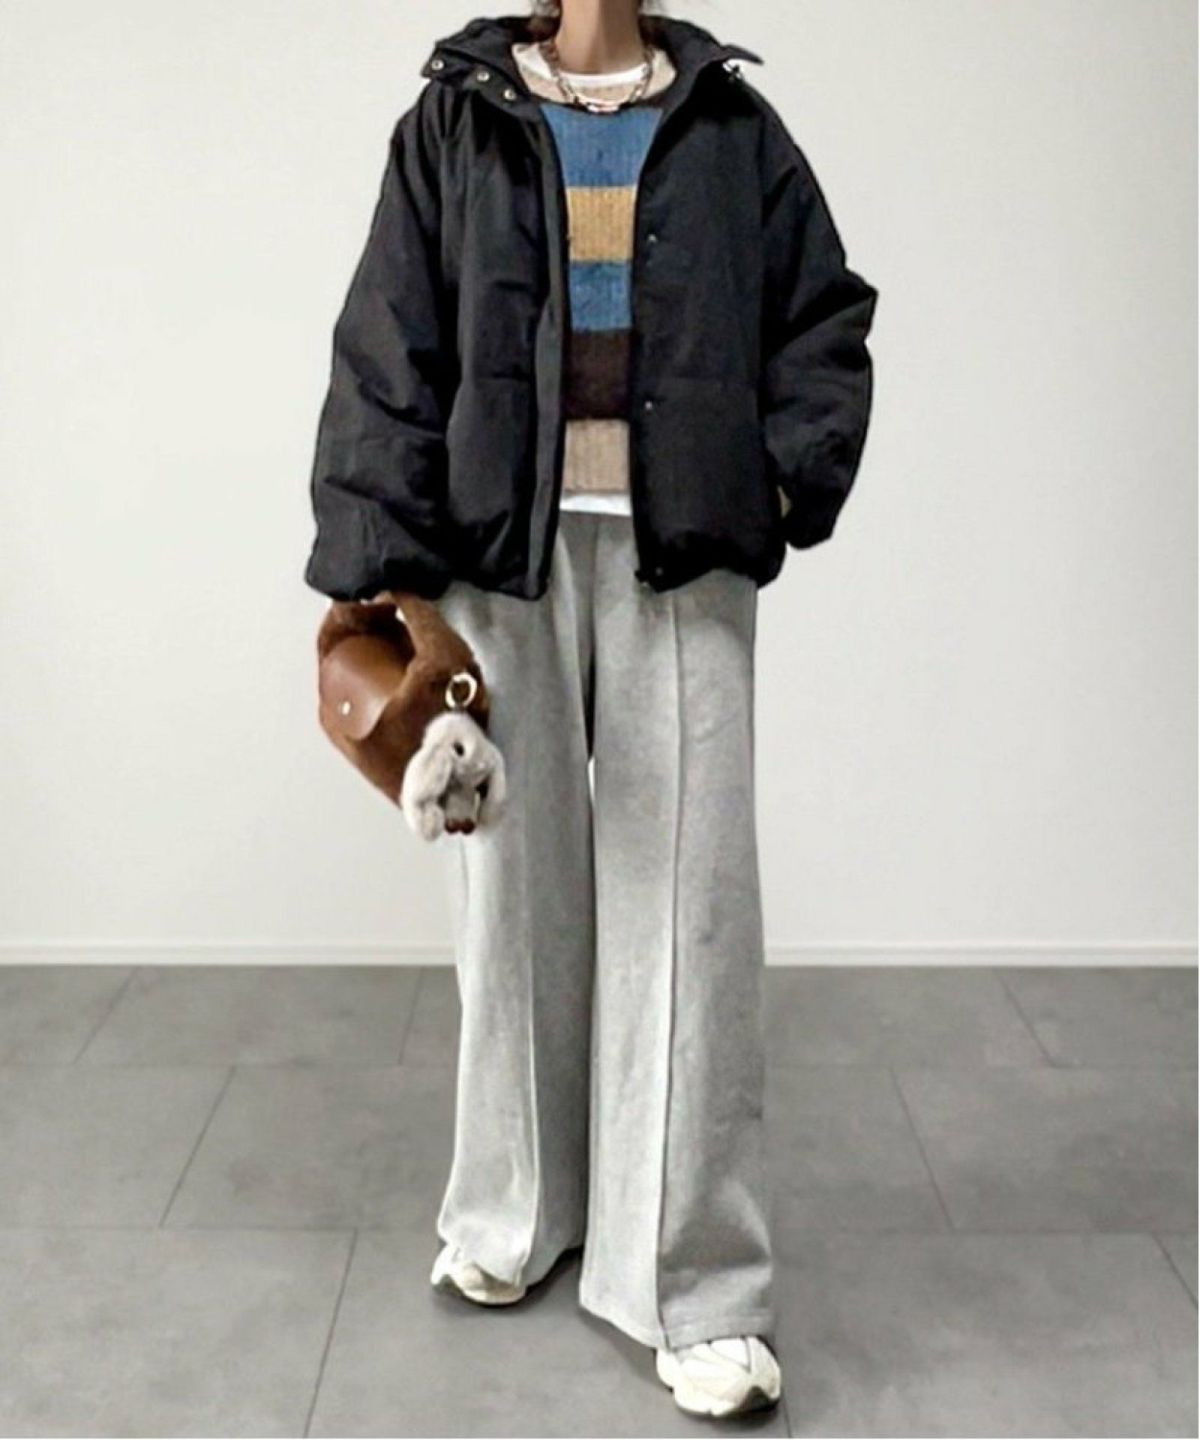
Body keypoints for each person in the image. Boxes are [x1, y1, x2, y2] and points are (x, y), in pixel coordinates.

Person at [304, 0, 877, 1418]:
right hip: (500, 555)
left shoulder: (730, 129)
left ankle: (697, 1286)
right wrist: (383, 569)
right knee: (511, 906)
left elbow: (823, 314)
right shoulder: (454, 124)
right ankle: (512, 1214)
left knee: (691, 915)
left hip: (689, 553)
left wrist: (783, 477)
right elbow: (388, 345)